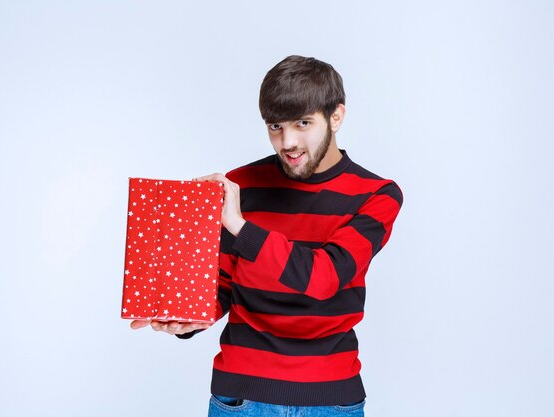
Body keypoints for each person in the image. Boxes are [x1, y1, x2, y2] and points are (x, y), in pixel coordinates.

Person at [131, 55, 403, 416]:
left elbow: (325, 277)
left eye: (302, 123)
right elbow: (224, 286)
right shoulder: (241, 184)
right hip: (240, 399)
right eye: (275, 126)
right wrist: (189, 317)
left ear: (336, 116)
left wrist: (242, 226)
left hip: (331, 402)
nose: (287, 141)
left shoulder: (377, 194)